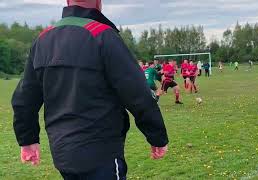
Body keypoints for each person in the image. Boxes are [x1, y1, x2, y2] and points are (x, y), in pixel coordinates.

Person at [11, 1, 168, 179]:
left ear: (68, 2)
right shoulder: (102, 35)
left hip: (63, 153)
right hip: (101, 153)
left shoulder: (43, 40)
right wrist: (157, 137)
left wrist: (27, 139)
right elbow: (137, 93)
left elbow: (24, 98)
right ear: (98, 3)